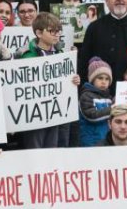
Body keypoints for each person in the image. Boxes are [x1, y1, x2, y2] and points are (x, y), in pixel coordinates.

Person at [15, 11, 80, 148]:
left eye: (58, 31)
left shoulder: (61, 54)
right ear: (39, 33)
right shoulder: (26, 55)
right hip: (34, 116)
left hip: (56, 114)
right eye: (52, 31)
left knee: (55, 151)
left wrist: (74, 80)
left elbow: (67, 81)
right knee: (35, 151)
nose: (57, 34)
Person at [79, 57, 115, 146]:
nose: (104, 82)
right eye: (100, 78)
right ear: (92, 79)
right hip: (90, 141)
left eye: (107, 79)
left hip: (106, 140)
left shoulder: (109, 98)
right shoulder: (86, 96)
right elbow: (91, 116)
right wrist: (111, 109)